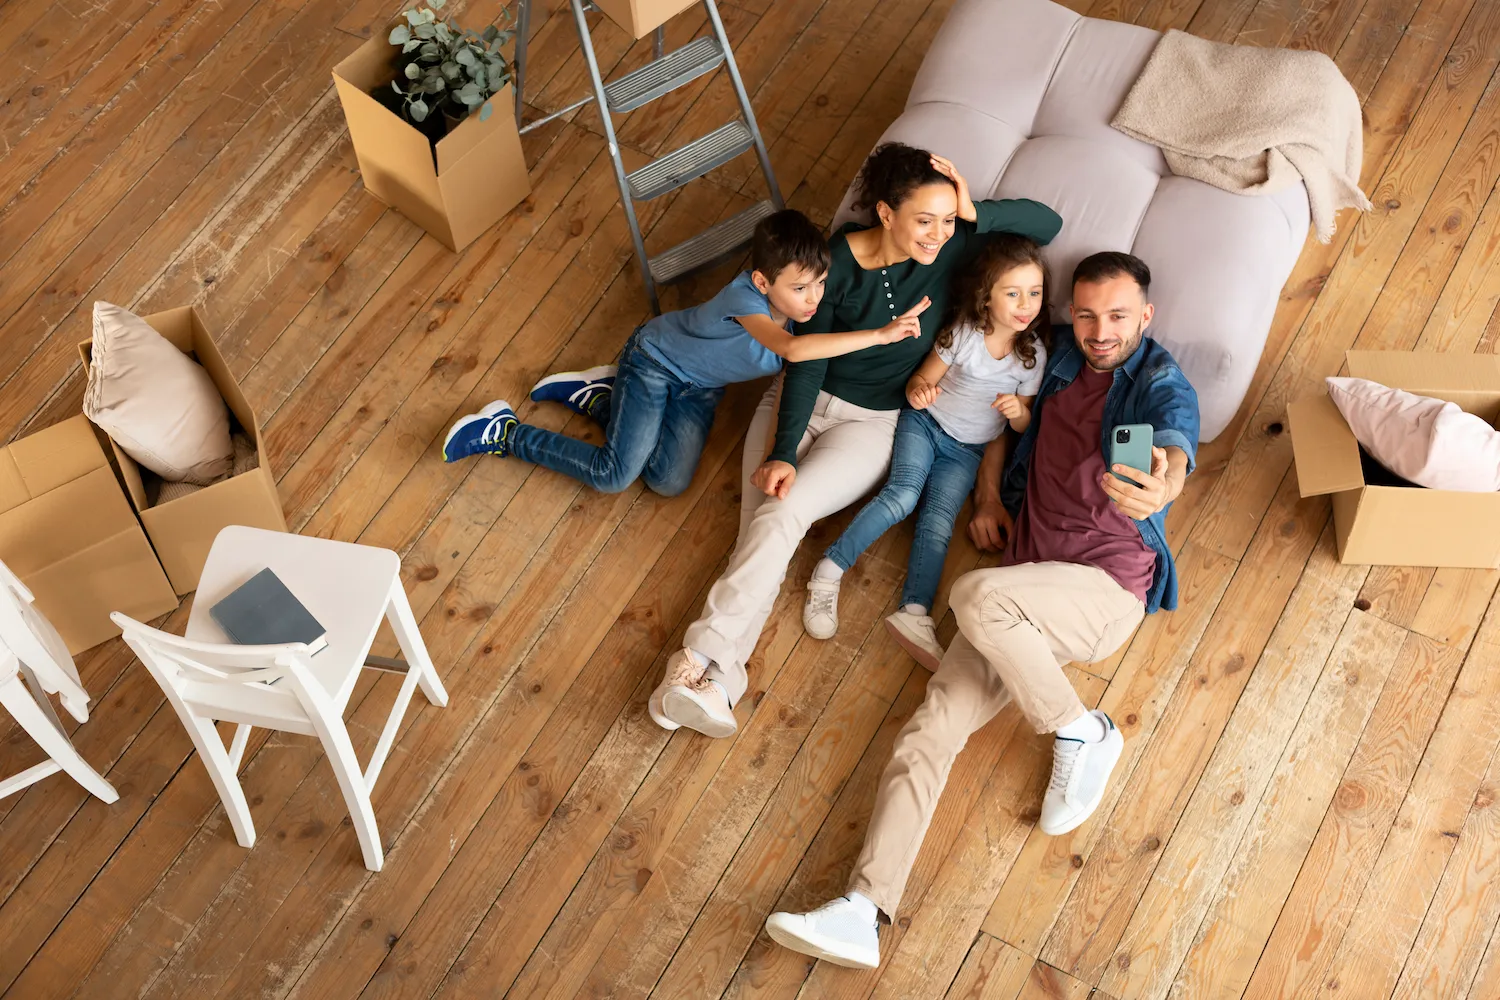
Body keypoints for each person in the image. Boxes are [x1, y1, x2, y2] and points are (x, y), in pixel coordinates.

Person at [763, 251, 1199, 971]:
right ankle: (863, 910)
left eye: (1118, 316)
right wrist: (991, 499)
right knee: (927, 730)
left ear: (1145, 317)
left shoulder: (1153, 379)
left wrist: (1167, 480)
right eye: (1085, 315)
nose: (1100, 332)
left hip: (1102, 588)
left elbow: (1175, 435)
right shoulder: (1050, 361)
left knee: (969, 596)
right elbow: (1003, 418)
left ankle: (1081, 730)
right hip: (1023, 589)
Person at [647, 142, 1063, 739]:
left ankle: (690, 665)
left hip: (873, 424)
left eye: (947, 220)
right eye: (925, 219)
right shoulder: (833, 265)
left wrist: (973, 211)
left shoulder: (954, 246)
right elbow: (805, 364)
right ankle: (718, 684)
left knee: (778, 519)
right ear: (886, 213)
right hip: (798, 403)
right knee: (762, 530)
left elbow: (1046, 223)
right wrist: (784, 449)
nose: (938, 234)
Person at [441, 209, 921, 494]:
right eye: (799, 289)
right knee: (614, 476)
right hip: (654, 364)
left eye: (818, 284)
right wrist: (881, 334)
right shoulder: (745, 300)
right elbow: (793, 350)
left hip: (699, 390)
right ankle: (505, 431)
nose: (813, 299)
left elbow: (824, 327)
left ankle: (604, 400)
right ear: (762, 282)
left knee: (667, 482)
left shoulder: (806, 306)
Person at [802, 235, 1050, 670]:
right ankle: (830, 567)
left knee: (938, 523)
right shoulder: (964, 335)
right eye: (1012, 293)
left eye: (1035, 292)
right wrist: (920, 394)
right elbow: (920, 380)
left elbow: (1023, 425)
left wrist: (1017, 415)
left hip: (967, 452)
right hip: (926, 425)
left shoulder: (1032, 358)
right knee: (903, 496)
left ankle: (915, 611)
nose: (1025, 303)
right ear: (986, 298)